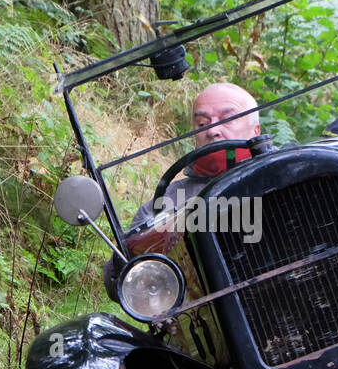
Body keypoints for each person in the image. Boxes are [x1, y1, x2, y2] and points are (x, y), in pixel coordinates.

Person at [104, 83, 261, 300]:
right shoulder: (167, 202)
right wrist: (130, 259)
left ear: (256, 130)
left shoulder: (294, 175)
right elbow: (122, 282)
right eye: (203, 123)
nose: (213, 131)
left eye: (227, 119)